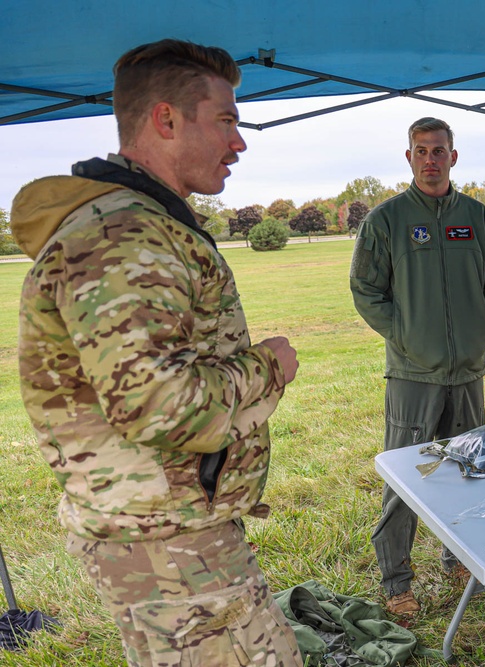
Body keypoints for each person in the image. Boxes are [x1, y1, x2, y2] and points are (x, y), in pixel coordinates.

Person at [10, 40, 302, 666]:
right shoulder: (123, 234)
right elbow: (161, 408)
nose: (239, 141)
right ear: (166, 120)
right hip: (167, 544)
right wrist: (269, 366)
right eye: (226, 119)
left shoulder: (141, 222)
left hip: (164, 531)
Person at [350, 117, 485, 614]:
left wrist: (480, 332)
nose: (430, 159)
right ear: (408, 157)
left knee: (470, 470)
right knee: (406, 477)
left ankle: (458, 555)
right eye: (421, 150)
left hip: (467, 374)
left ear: (453, 156)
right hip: (412, 375)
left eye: (438, 150)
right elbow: (366, 291)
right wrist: (408, 337)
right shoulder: (386, 221)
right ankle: (396, 581)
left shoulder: (479, 217)